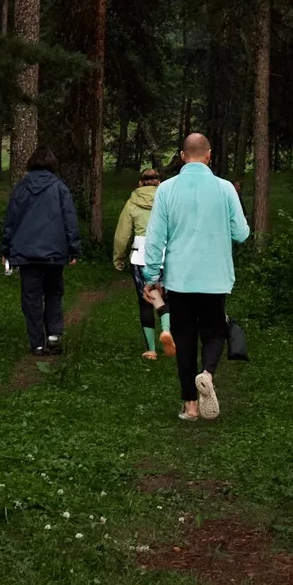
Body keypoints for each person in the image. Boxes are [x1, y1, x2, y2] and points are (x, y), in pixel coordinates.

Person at [141, 133, 250, 421]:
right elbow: (241, 233)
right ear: (209, 155)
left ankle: (190, 405)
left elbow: (155, 238)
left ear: (181, 156)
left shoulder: (166, 190)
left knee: (184, 338)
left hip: (180, 278)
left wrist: (151, 275)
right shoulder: (225, 189)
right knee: (214, 332)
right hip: (215, 276)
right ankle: (207, 374)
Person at [2, 146, 80, 357]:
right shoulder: (60, 188)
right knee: (54, 292)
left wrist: (6, 249)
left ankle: (36, 342)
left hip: (26, 253)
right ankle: (53, 335)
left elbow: (11, 220)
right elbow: (70, 220)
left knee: (31, 297)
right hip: (54, 251)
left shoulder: (21, 188)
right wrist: (73, 249)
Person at [112, 168, 173, 359]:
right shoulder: (168, 200)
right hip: (165, 254)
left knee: (145, 301)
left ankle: (151, 350)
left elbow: (122, 235)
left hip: (140, 256)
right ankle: (167, 330)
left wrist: (118, 258)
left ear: (140, 183)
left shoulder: (132, 202)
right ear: (159, 182)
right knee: (166, 298)